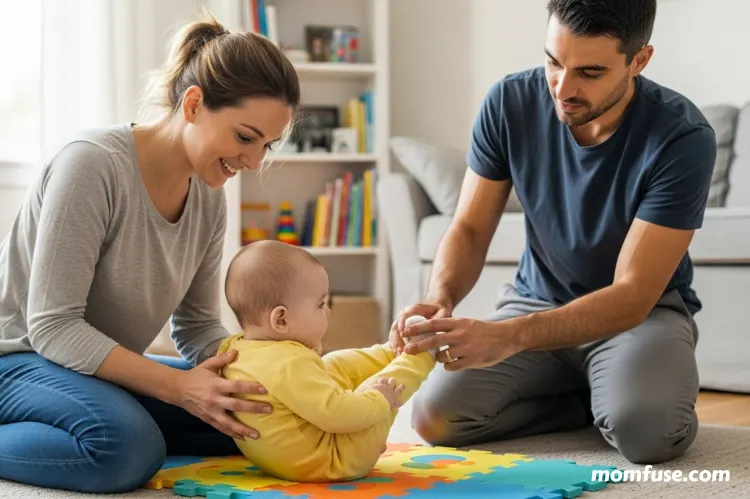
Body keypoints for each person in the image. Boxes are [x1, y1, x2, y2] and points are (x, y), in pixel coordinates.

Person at [393, 0, 717, 466]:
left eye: (589, 71)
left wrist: (509, 337)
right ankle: (585, 403)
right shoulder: (508, 102)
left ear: (639, 61)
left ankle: (634, 393)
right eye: (552, 62)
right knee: (436, 418)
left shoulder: (682, 137)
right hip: (535, 301)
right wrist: (439, 298)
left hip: (637, 317)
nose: (562, 88)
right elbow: (467, 227)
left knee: (647, 434)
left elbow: (632, 294)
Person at [0, 16, 300, 493]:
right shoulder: (92, 164)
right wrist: (177, 388)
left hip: (90, 370)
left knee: (258, 417)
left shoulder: (207, 197)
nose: (253, 162)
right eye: (245, 137)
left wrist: (278, 370)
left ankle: (98, 421)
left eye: (266, 146)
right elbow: (53, 326)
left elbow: (197, 327)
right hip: (19, 360)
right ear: (194, 103)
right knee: (126, 448)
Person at [218, 240, 437, 482]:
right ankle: (421, 354)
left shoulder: (234, 348)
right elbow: (338, 415)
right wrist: (379, 399)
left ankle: (390, 351)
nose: (328, 311)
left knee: (331, 364)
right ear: (281, 320)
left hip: (288, 461)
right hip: (335, 460)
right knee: (378, 387)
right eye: (320, 304)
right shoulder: (290, 364)